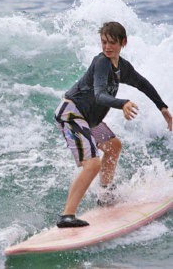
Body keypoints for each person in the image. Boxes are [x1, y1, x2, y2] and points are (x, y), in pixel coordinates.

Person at [53, 22, 172, 228]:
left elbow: (142, 83)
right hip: (72, 114)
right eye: (104, 42)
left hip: (89, 119)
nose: (107, 47)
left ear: (123, 43)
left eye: (112, 43)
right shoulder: (102, 63)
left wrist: (162, 107)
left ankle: (105, 194)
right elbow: (99, 95)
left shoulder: (121, 67)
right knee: (92, 164)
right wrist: (122, 103)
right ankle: (67, 216)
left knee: (113, 146)